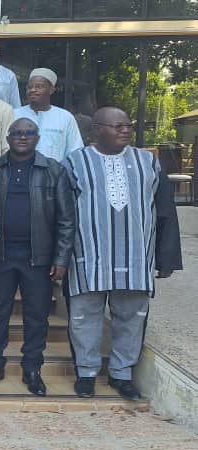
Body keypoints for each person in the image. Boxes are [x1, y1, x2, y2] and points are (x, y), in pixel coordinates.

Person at [63, 106, 182, 400]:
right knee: (84, 317)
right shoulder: (75, 162)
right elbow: (62, 215)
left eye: (127, 125)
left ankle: (122, 374)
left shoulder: (148, 162)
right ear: (96, 130)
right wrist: (59, 258)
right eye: (117, 126)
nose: (125, 130)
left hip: (135, 257)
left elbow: (165, 211)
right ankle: (86, 373)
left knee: (131, 317)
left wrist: (166, 258)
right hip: (88, 257)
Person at [0, 118, 75, 397]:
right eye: (18, 133)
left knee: (36, 316)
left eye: (29, 133)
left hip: (39, 258)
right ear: (8, 138)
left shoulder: (54, 170)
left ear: (37, 138)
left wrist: (61, 259)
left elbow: (66, 219)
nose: (23, 137)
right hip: (1, 255)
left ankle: (32, 367)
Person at [13, 68, 84, 161]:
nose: (33, 90)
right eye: (29, 87)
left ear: (51, 90)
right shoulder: (14, 114)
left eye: (39, 87)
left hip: (55, 169)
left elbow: (75, 151)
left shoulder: (65, 117)